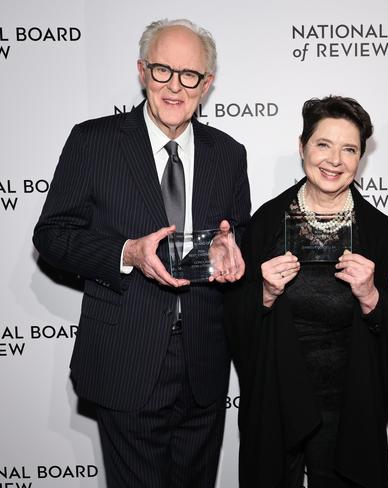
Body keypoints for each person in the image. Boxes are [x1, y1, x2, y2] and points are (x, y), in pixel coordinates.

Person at [32, 19, 250, 487]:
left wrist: (231, 250)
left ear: (206, 83)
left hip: (203, 361)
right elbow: (51, 235)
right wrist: (127, 252)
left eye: (189, 75)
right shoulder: (94, 141)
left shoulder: (229, 153)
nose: (175, 86)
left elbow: (241, 235)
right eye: (162, 71)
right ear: (141, 71)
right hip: (124, 355)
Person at [226, 96, 388, 488]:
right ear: (302, 147)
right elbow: (231, 318)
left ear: (361, 157)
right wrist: (263, 293)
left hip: (350, 405)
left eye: (350, 149)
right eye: (323, 144)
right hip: (277, 398)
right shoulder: (266, 222)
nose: (335, 160)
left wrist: (370, 297)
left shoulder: (378, 231)